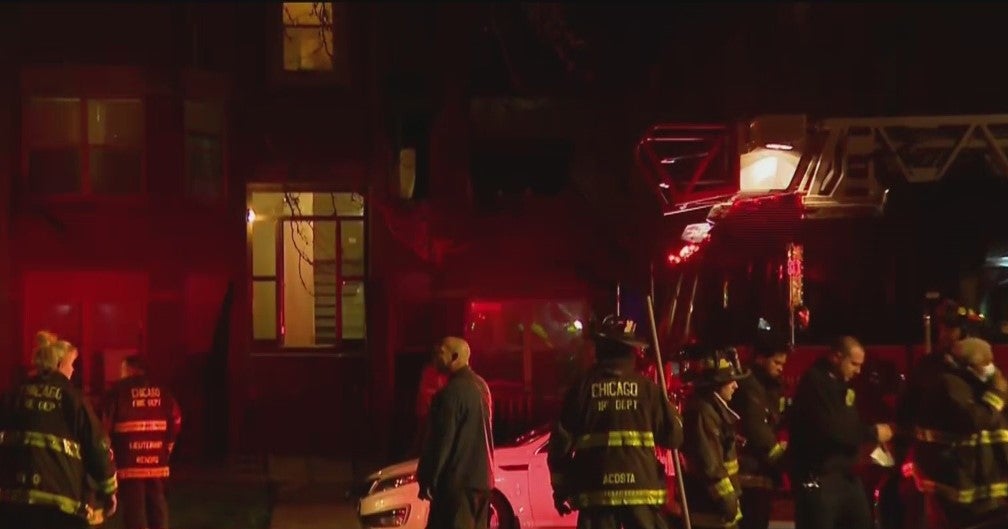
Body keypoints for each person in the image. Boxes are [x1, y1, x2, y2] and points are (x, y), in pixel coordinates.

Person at [547, 315, 683, 529]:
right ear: (632, 351)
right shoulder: (648, 390)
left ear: (601, 348)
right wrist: (672, 410)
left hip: (595, 495)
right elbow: (673, 437)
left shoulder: (581, 389)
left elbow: (559, 447)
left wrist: (562, 491)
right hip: (642, 495)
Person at [0, 332, 118, 529]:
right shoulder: (72, 398)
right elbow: (97, 446)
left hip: (12, 504)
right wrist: (109, 490)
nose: (72, 371)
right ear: (60, 364)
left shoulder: (12, 395)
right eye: (71, 364)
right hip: (60, 507)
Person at [788, 336, 893, 529]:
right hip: (819, 478)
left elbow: (849, 424)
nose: (858, 370)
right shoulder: (815, 383)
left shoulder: (841, 385)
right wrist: (873, 433)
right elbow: (835, 429)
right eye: (854, 364)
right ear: (836, 357)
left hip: (846, 475)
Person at [911, 337, 1008, 529]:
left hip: (985, 491)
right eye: (986, 362)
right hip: (961, 492)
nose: (991, 368)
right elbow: (976, 420)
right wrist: (997, 393)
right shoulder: (949, 385)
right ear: (969, 364)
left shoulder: (975, 385)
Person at [417, 336, 495, 529]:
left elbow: (442, 441)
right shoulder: (481, 387)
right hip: (482, 481)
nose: (435, 357)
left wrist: (428, 478)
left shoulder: (449, 394)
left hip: (456, 484)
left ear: (454, 357)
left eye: (440, 353)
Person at [103, 354, 182, 529]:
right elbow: (176, 420)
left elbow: (104, 426)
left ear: (129, 370)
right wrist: (166, 448)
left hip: (129, 465)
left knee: (134, 512)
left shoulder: (117, 392)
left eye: (122, 370)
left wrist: (109, 456)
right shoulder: (163, 392)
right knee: (157, 508)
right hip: (157, 464)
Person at [681, 345, 749, 529]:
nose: (736, 385)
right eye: (730, 381)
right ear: (716, 383)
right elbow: (709, 464)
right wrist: (727, 499)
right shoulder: (703, 412)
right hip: (708, 511)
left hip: (717, 511)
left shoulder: (713, 410)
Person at [731, 331, 790, 529]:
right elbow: (757, 430)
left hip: (761, 474)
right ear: (760, 358)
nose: (781, 369)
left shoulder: (770, 386)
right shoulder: (749, 386)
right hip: (748, 475)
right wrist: (782, 459)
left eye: (783, 364)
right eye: (777, 363)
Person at [412, 358, 448, 456]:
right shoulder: (429, 371)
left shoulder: (445, 372)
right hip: (427, 409)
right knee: (424, 434)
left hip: (437, 409)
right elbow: (424, 390)